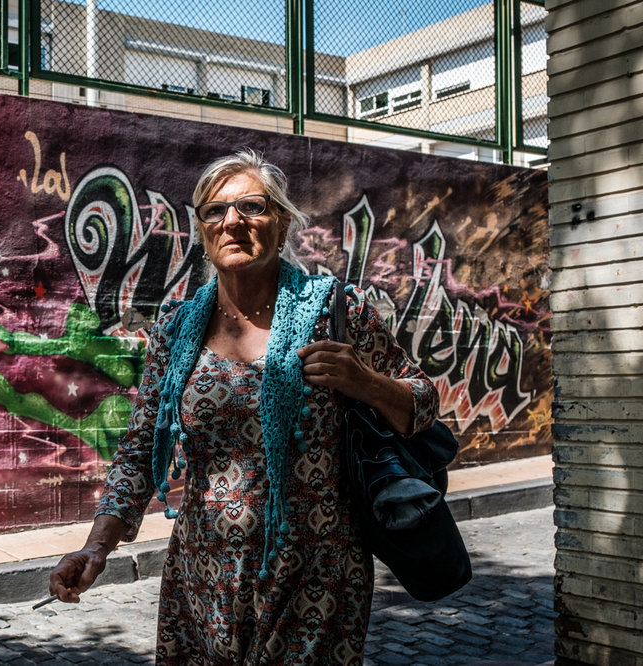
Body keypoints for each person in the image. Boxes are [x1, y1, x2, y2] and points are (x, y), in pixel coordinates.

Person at [48, 149, 440, 664]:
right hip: (202, 574)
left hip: (315, 575)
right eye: (215, 211)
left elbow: (424, 402)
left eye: (252, 207)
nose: (232, 221)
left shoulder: (337, 310)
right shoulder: (175, 328)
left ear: (281, 224)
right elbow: (142, 448)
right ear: (204, 233)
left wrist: (364, 381)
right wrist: (96, 546)